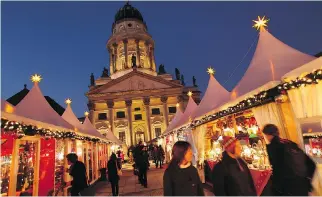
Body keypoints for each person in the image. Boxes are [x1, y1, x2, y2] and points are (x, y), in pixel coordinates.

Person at [262, 124, 316, 196]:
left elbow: (277, 171)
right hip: (302, 185)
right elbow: (311, 163)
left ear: (268, 135)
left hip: (288, 188)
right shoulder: (290, 143)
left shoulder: (273, 147)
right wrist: (308, 181)